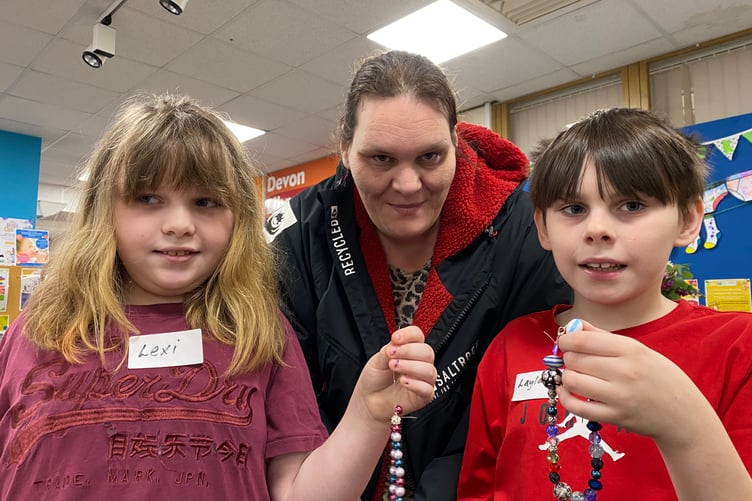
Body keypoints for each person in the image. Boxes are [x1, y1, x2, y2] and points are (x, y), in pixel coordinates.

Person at [0, 93, 438, 501]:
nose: (178, 224)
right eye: (148, 197)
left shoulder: (261, 336)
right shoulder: (37, 331)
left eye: (206, 202)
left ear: (237, 219)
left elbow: (299, 492)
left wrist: (368, 412)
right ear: (104, 210)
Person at [264, 50, 572, 501]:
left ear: (455, 141)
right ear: (345, 150)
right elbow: (288, 406)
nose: (407, 185)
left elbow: (530, 398)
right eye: (381, 158)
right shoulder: (300, 236)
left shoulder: (524, 234)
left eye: (429, 157)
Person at [457, 108, 752, 500]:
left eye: (631, 206)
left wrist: (685, 423)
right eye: (574, 209)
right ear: (543, 227)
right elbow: (480, 488)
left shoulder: (737, 346)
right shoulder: (512, 346)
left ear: (687, 219)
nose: (597, 230)